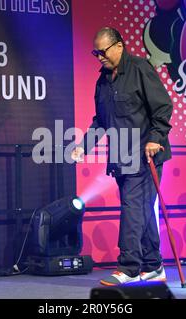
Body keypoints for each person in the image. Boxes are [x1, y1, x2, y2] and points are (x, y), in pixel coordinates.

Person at [71, 27, 174, 285]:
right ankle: (153, 266)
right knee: (141, 210)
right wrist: (84, 146)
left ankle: (129, 267)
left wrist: (155, 138)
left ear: (119, 45)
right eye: (95, 53)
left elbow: (163, 107)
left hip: (145, 155)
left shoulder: (140, 69)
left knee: (132, 207)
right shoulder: (103, 81)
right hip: (121, 158)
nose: (99, 57)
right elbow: (101, 121)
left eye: (103, 51)